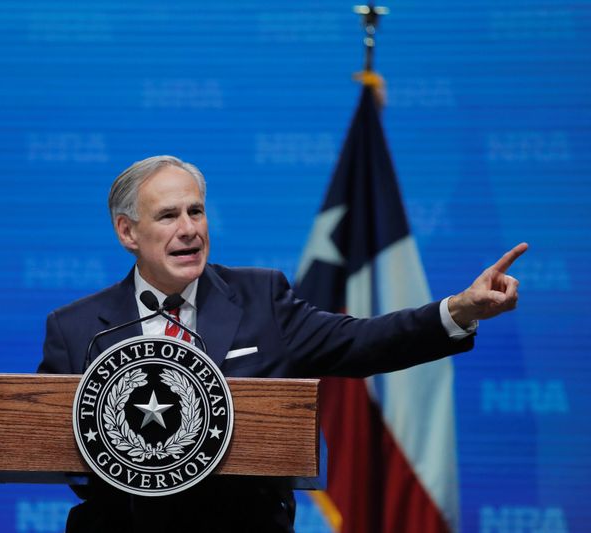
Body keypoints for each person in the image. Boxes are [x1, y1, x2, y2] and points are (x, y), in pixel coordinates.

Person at [38, 155, 527, 533]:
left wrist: (458, 310)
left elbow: (360, 341)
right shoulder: (77, 328)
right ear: (128, 231)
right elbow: (40, 440)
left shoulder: (260, 298)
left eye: (197, 211)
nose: (189, 228)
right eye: (168, 216)